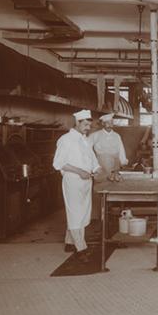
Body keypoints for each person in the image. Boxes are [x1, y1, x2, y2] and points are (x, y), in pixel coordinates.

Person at [52, 109, 100, 263]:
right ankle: (81, 248)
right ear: (77, 123)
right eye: (85, 125)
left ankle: (69, 243)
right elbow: (58, 163)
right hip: (73, 181)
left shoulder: (85, 140)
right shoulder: (66, 140)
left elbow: (92, 160)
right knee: (75, 214)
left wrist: (97, 169)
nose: (88, 128)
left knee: (82, 213)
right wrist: (80, 171)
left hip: (86, 181)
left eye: (89, 125)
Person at [88, 113, 128, 181]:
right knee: (103, 181)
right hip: (102, 163)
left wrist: (123, 161)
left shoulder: (116, 136)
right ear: (103, 124)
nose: (110, 125)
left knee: (114, 181)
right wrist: (91, 163)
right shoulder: (95, 135)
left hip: (115, 164)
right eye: (107, 123)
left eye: (111, 123)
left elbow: (121, 149)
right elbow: (87, 148)